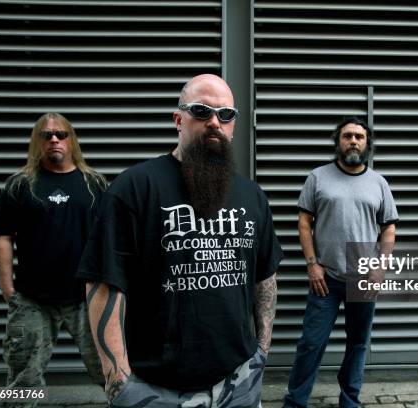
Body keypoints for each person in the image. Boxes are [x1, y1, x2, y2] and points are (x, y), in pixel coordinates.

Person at [77, 74, 283, 408]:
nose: (215, 122)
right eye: (202, 111)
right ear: (178, 119)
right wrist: (118, 379)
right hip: (155, 388)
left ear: (233, 125)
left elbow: (265, 276)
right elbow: (104, 282)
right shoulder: (134, 188)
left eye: (225, 115)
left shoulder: (252, 196)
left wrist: (261, 352)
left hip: (239, 383)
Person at [0, 113, 107, 405]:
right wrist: (8, 291)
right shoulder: (19, 185)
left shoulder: (94, 184)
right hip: (32, 301)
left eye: (61, 134)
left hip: (86, 299)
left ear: (71, 140)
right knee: (22, 381)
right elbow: (2, 237)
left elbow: (110, 238)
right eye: (46, 135)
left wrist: (108, 291)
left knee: (112, 371)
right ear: (37, 142)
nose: (54, 139)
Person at [283, 117, 398, 408]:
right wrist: (312, 264)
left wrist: (381, 266)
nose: (354, 141)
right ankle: (295, 402)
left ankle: (350, 400)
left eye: (360, 136)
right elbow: (304, 222)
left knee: (358, 343)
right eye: (347, 136)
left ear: (367, 143)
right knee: (311, 344)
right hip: (327, 279)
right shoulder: (318, 177)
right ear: (338, 141)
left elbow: (388, 228)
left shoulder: (378, 183)